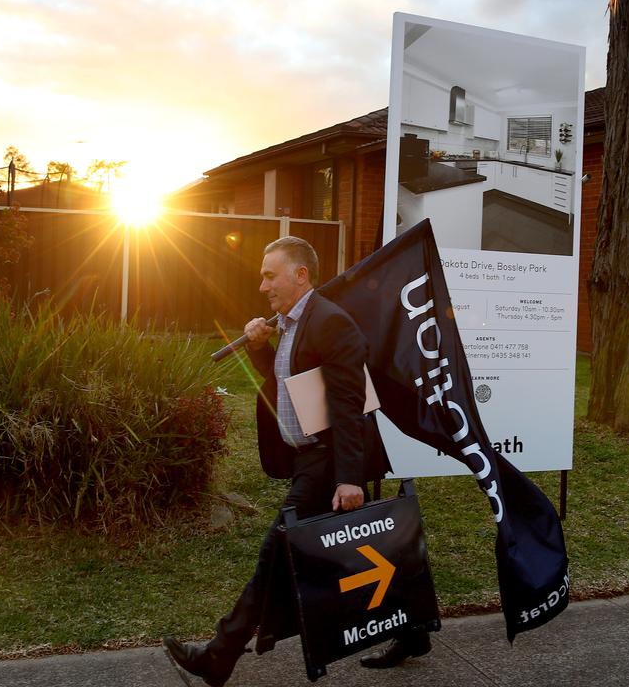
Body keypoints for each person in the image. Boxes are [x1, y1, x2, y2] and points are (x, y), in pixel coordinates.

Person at [163, 236, 429, 686]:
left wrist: (348, 479)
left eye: (271, 274)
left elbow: (348, 405)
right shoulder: (290, 324)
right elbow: (285, 381)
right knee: (357, 553)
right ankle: (415, 633)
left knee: (276, 554)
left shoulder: (331, 323)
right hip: (312, 457)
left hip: (327, 462)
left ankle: (218, 655)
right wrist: (259, 347)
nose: (262, 284)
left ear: (300, 275)